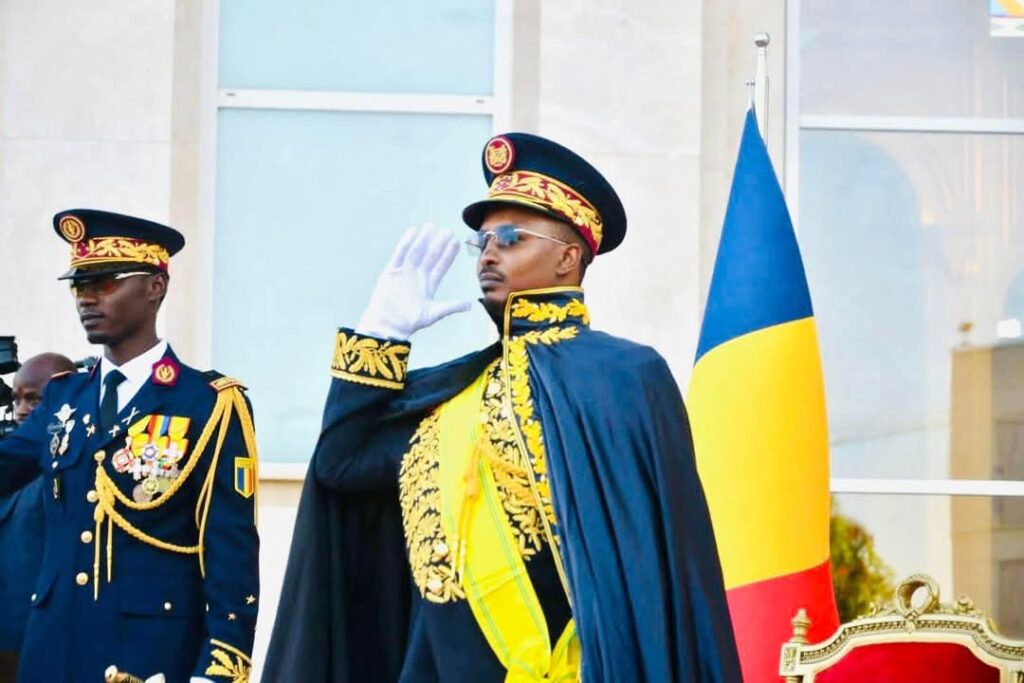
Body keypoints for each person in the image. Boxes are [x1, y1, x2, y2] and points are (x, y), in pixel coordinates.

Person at [263, 133, 741, 682]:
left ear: (567, 257)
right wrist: (381, 332)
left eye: (511, 237)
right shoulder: (453, 396)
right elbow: (340, 465)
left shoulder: (624, 376)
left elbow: (661, 575)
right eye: (482, 241)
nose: (489, 254)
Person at [0, 210, 260, 683]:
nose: (87, 298)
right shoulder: (63, 397)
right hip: (51, 653)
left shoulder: (206, 403)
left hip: (148, 657)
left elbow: (231, 552)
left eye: (104, 283)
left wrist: (217, 670)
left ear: (155, 286)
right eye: (79, 286)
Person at [0, 353, 76, 682]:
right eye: (16, 399)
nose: (21, 409)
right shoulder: (10, 461)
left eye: (34, 399)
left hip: (45, 636)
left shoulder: (71, 469)